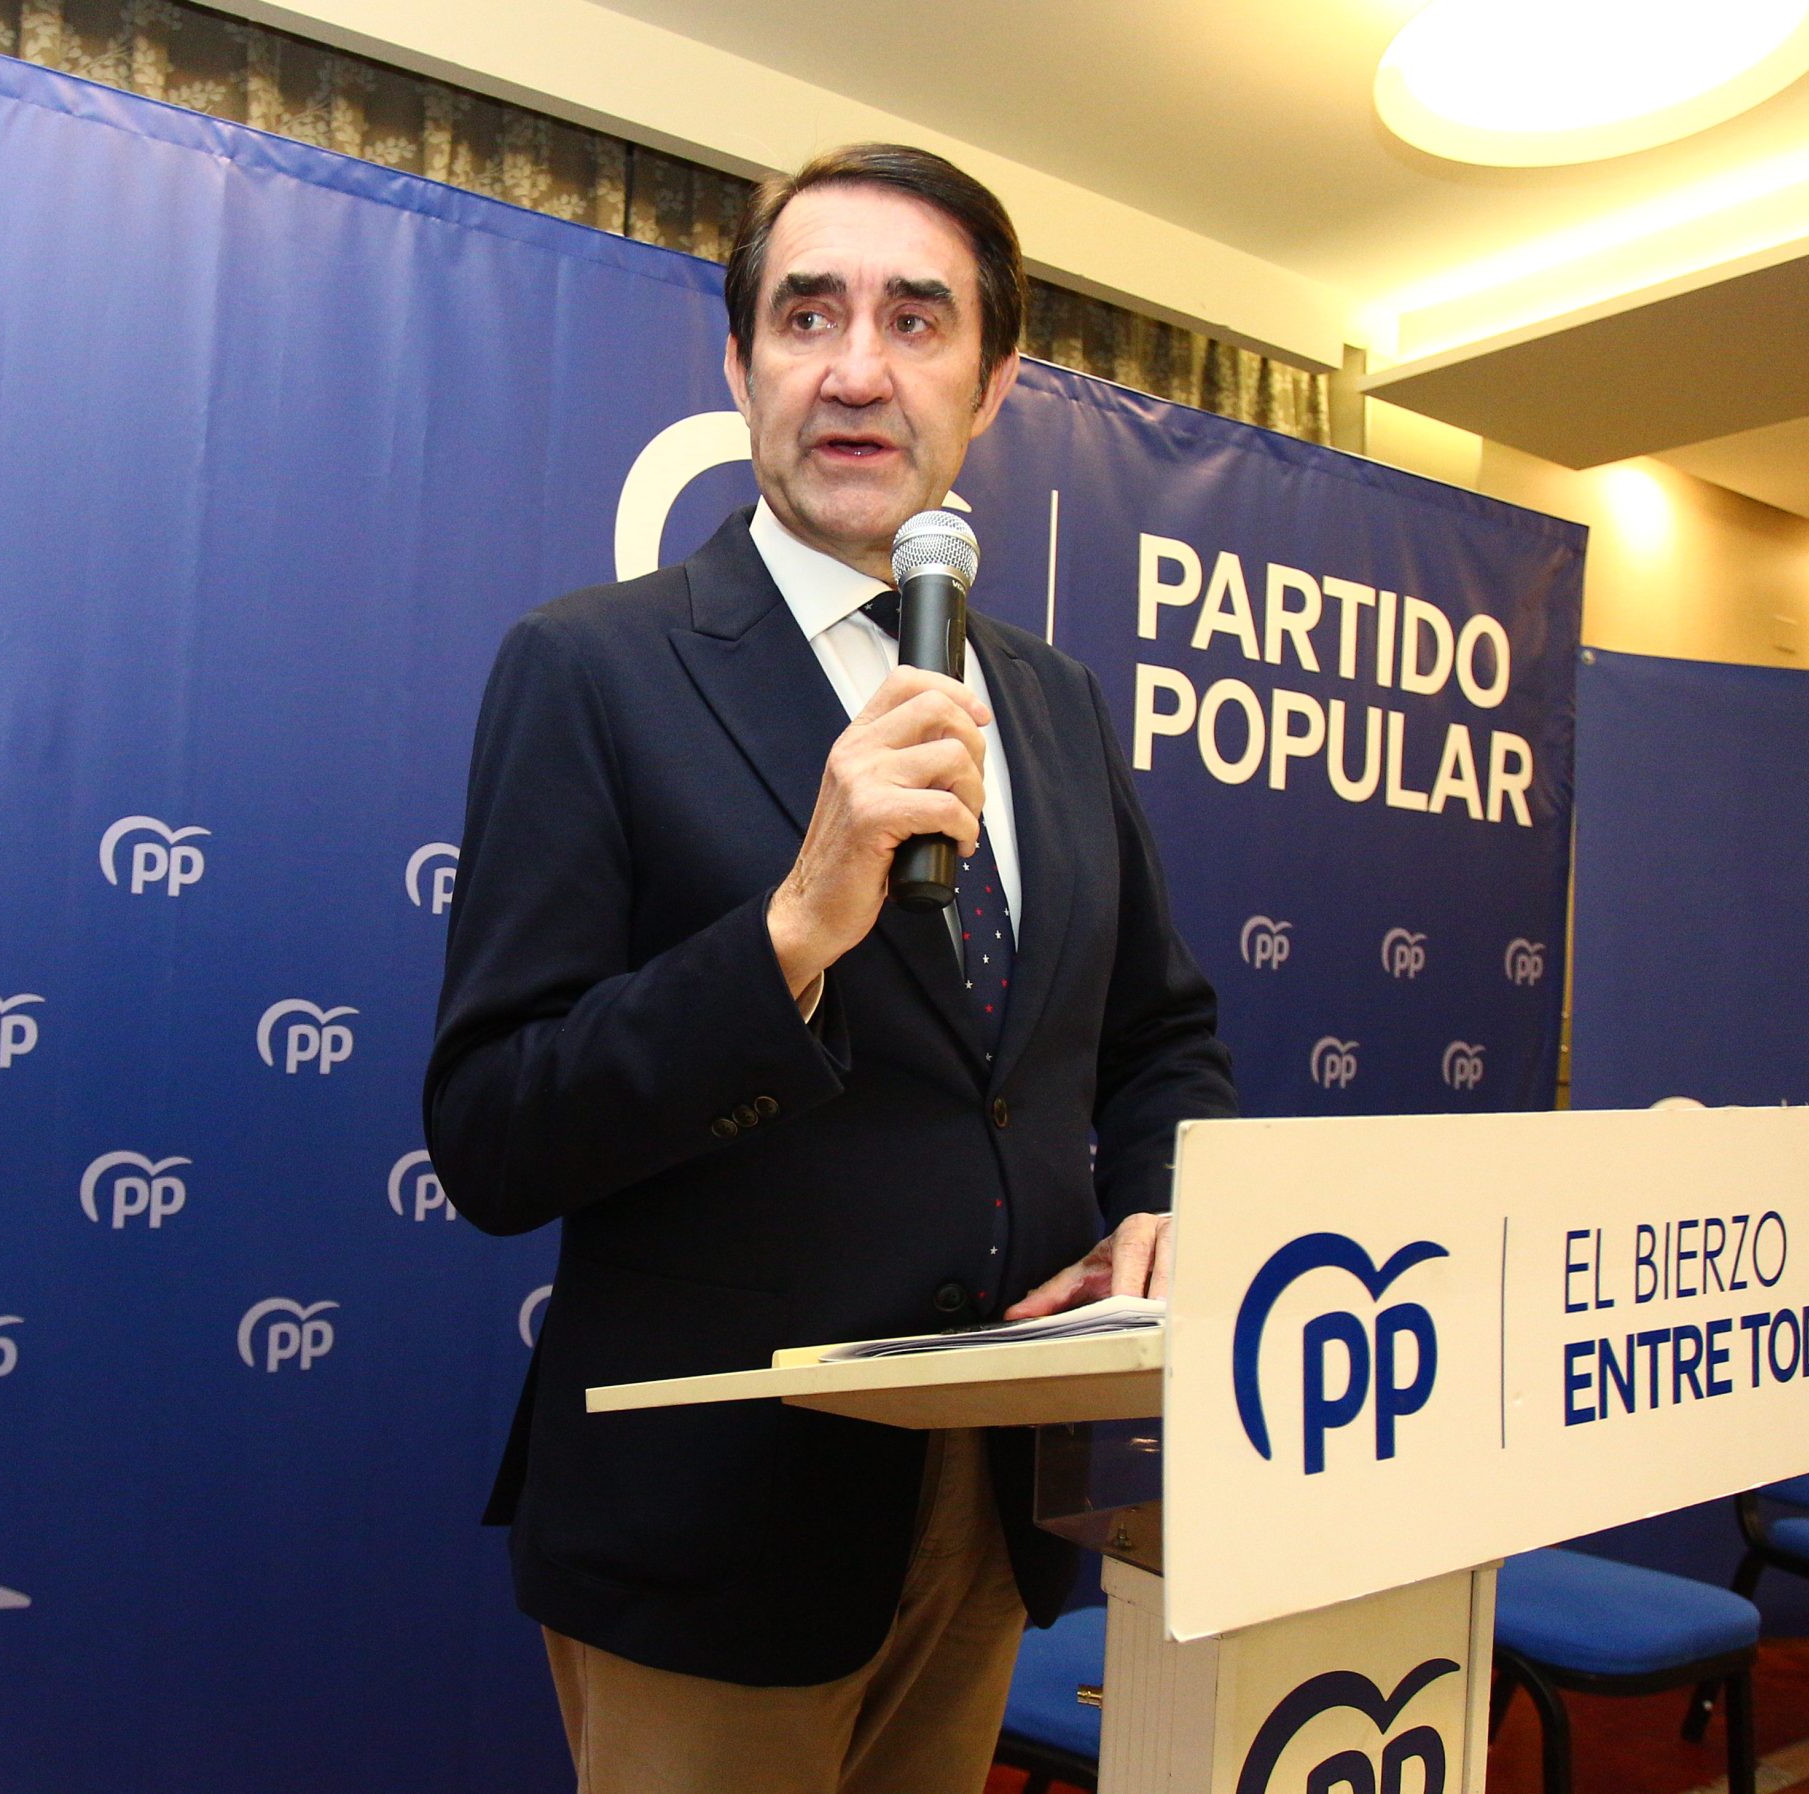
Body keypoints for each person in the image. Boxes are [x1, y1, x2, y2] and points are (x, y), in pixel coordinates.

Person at [424, 142, 1236, 1794]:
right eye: (809, 314)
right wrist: (795, 923)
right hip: (716, 1532)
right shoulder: (592, 667)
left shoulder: (1056, 702)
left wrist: (1168, 1197)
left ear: (995, 378)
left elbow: (1162, 1036)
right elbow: (495, 1129)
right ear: (741, 365)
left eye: (918, 319)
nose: (858, 368)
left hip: (994, 1505)